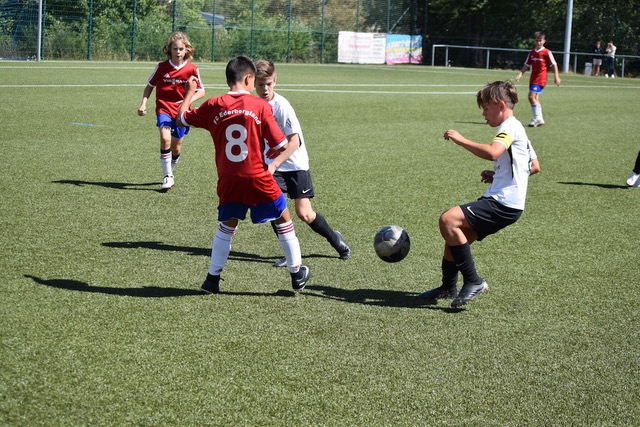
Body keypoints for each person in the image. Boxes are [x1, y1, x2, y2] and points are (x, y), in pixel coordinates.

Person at [176, 55, 310, 293]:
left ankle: (211, 280)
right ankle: (297, 272)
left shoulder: (214, 104)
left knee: (227, 226)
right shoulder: (261, 106)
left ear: (228, 80)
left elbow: (182, 117)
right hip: (257, 176)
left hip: (228, 178)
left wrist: (189, 93)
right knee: (283, 218)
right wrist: (270, 148)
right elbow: (281, 145)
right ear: (249, 78)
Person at [418, 81, 540, 308]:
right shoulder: (518, 128)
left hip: (503, 203)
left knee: (448, 220)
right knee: (455, 239)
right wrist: (499, 176)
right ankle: (447, 287)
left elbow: (493, 152)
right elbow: (534, 166)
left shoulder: (508, 128)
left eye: (486, 108)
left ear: (500, 105)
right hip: (508, 203)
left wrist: (461, 140)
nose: (483, 114)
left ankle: (474, 281)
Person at [254, 59, 351, 267]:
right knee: (275, 208)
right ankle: (291, 254)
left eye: (268, 84)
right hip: (274, 165)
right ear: (253, 83)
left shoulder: (282, 106)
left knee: (304, 213)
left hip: (295, 165)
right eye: (260, 84)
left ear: (275, 81)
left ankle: (335, 239)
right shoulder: (256, 105)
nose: (265, 89)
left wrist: (273, 164)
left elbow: (294, 142)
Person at [137, 31, 205, 192]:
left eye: (181, 49)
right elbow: (149, 86)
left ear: (186, 49)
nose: (178, 52)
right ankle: (167, 176)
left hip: (182, 112)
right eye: (175, 49)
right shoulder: (162, 67)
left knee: (176, 147)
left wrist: (187, 101)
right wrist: (143, 104)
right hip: (164, 108)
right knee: (165, 138)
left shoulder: (192, 69)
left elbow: (201, 91)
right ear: (170, 49)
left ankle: (170, 171)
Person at [514, 31, 561, 128]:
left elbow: (554, 64)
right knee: (535, 98)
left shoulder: (547, 52)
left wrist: (556, 77)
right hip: (533, 78)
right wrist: (520, 74)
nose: (538, 42)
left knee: (531, 97)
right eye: (537, 40)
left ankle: (538, 117)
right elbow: (526, 64)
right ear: (534, 41)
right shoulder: (532, 53)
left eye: (540, 40)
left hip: (541, 78)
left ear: (544, 41)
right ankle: (538, 119)